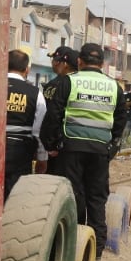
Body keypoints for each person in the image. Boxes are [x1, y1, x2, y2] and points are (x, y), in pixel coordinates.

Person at [39, 43, 124, 261]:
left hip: (72, 148)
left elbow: (53, 116)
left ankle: (70, 248)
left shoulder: (69, 82)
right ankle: (95, 251)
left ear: (79, 61)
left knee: (72, 194)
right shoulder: (114, 87)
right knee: (96, 197)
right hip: (99, 149)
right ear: (103, 63)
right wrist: (110, 149)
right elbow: (120, 123)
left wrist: (50, 145)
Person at [3, 49, 48, 202]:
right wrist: (42, 158)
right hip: (20, 151)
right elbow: (39, 130)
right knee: (15, 197)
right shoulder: (35, 93)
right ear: (26, 69)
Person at [42, 45, 80, 178]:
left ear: (62, 63)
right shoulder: (78, 84)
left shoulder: (62, 84)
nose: (52, 63)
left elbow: (52, 115)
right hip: (71, 142)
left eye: (54, 60)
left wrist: (49, 143)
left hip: (57, 142)